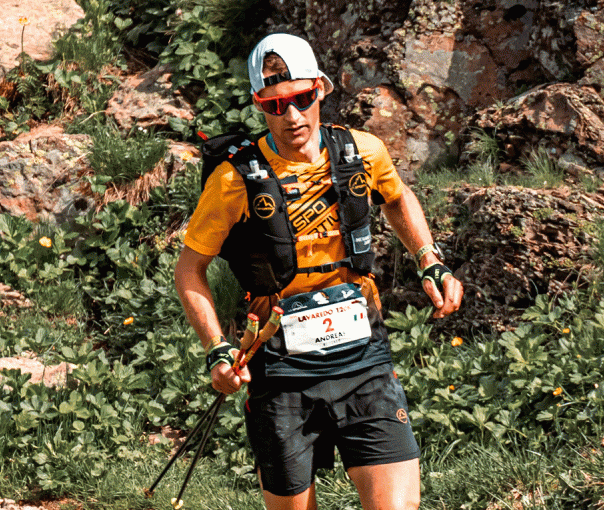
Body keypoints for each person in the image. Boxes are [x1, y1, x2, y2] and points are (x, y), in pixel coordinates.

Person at [174, 33, 463, 510]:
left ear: (321, 90)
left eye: (302, 99)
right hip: (280, 368)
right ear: (258, 105)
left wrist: (428, 258)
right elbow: (190, 270)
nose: (291, 116)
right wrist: (216, 350)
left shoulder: (363, 152)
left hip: (363, 358)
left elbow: (397, 197)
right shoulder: (233, 181)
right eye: (275, 105)